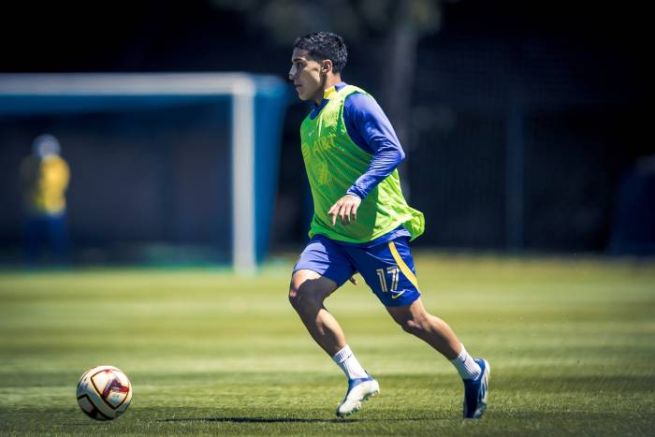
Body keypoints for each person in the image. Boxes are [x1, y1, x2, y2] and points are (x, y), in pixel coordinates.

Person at [287, 32, 490, 419]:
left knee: (412, 321)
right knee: (302, 294)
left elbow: (392, 150)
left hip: (377, 235)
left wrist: (357, 192)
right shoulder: (309, 122)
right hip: (332, 236)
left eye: (300, 64)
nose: (292, 72)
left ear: (325, 67)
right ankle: (358, 377)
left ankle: (472, 369)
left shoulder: (356, 103)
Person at [19, 133, 71, 264]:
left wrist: (44, 170)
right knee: (32, 241)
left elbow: (57, 184)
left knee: (57, 240)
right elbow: (26, 182)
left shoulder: (59, 165)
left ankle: (60, 263)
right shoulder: (29, 163)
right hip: (33, 208)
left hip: (54, 208)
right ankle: (31, 263)